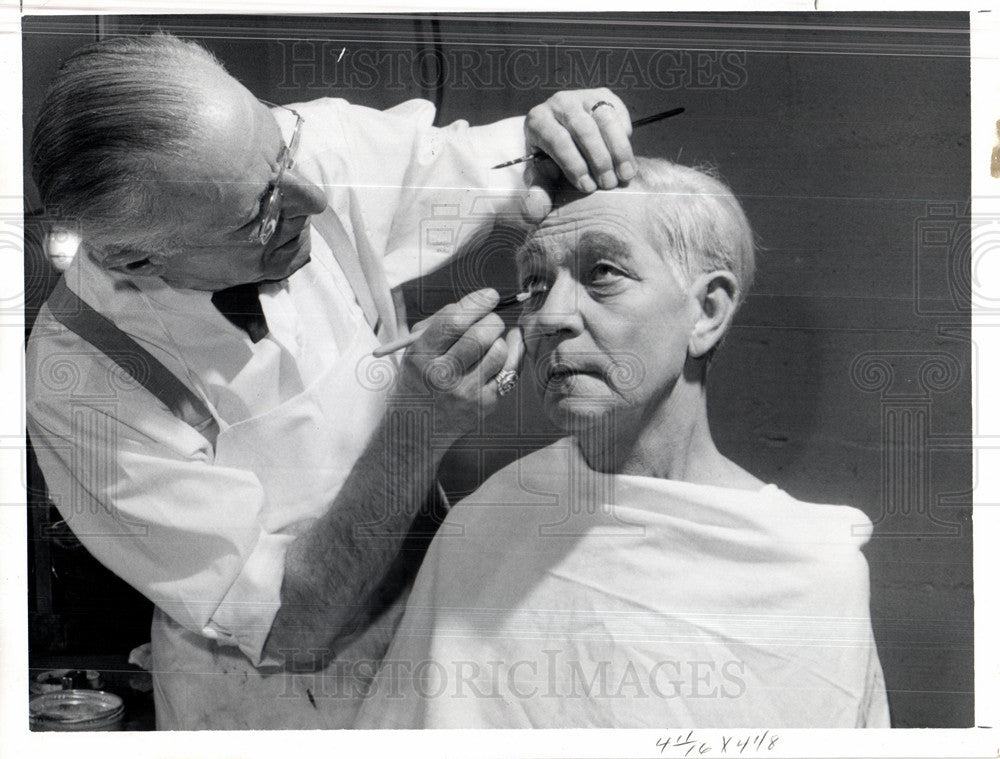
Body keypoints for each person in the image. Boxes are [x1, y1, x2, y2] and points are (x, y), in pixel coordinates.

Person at [25, 33, 638, 729]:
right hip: (273, 702)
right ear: (135, 260)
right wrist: (418, 423)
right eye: (259, 211)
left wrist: (571, 124)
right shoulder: (79, 380)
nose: (311, 195)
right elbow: (290, 623)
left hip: (430, 624)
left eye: (282, 150)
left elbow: (504, 159)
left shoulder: (285, 152)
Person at [354, 158, 890, 729]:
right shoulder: (480, 534)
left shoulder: (812, 573)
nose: (551, 316)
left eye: (603, 272)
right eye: (536, 284)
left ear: (706, 312)